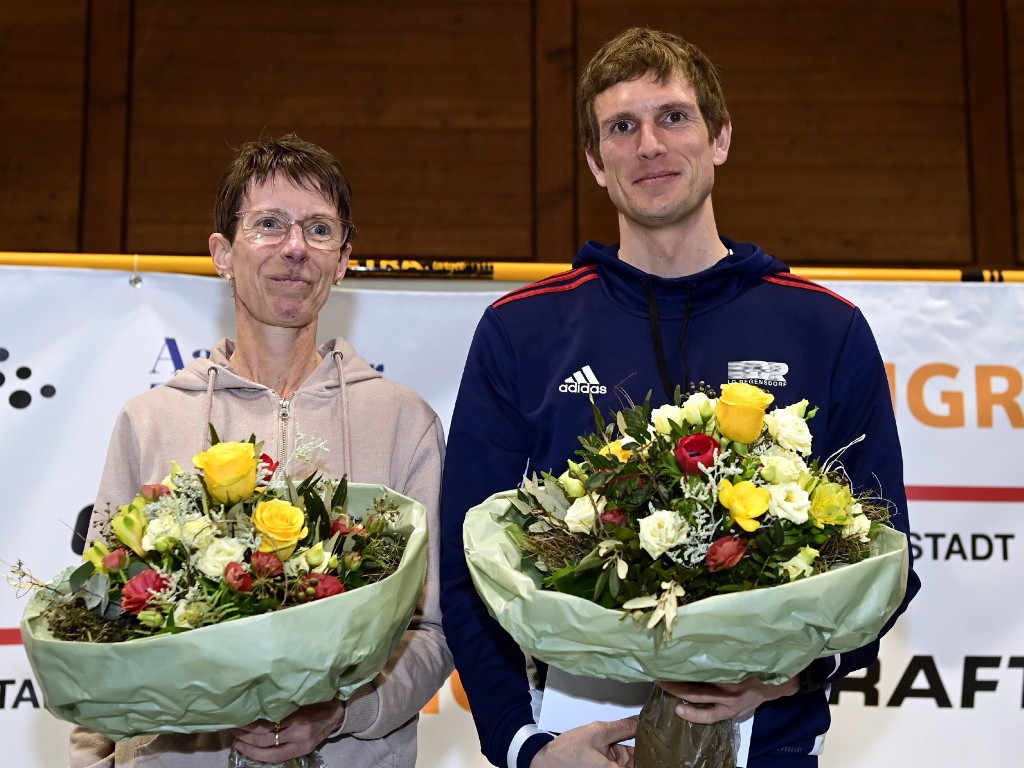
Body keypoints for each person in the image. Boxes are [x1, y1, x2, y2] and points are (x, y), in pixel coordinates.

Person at [440, 27, 920, 768]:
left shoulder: (825, 327)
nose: (649, 146)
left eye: (673, 117)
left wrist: (785, 675)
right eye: (621, 128)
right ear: (597, 163)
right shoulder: (523, 332)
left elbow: (887, 565)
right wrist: (524, 746)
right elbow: (467, 570)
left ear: (720, 137)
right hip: (579, 745)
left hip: (773, 744)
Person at [71, 133, 453, 767]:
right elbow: (94, 629)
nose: (295, 247)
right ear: (222, 253)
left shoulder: (402, 421)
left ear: (345, 258)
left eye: (319, 229)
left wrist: (340, 713)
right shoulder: (151, 420)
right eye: (269, 224)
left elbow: (434, 631)